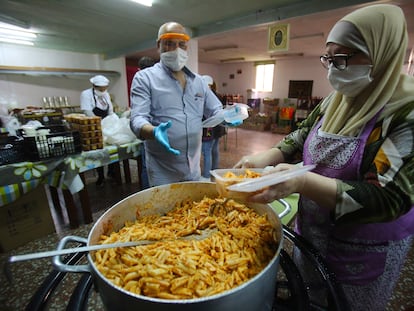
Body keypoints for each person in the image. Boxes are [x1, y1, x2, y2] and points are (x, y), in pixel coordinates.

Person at [234, 4, 414, 310]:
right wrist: (262, 158)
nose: (332, 69)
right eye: (328, 59)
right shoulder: (335, 101)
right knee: (311, 299)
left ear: (382, 54)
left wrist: (300, 181)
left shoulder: (403, 113)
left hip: (364, 247)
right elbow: (302, 135)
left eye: (342, 59)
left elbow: (385, 198)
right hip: (315, 232)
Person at [130, 21, 241, 187]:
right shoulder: (145, 78)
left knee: (191, 211)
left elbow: (215, 109)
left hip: (193, 168)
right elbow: (137, 119)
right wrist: (154, 131)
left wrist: (227, 117)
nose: (176, 50)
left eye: (181, 44)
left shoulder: (199, 81)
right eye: (169, 43)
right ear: (158, 45)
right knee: (164, 210)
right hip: (163, 170)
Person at [80, 74, 115, 186]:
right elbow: (88, 112)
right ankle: (100, 176)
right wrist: (98, 124)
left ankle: (112, 172)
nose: (103, 90)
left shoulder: (106, 95)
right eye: (100, 88)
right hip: (93, 126)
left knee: (112, 149)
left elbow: (110, 111)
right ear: (94, 86)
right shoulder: (86, 94)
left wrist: (114, 121)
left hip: (107, 125)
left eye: (104, 88)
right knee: (98, 151)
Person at [136, 56, 156, 189]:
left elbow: (138, 115)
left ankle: (147, 191)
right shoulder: (147, 80)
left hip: (150, 130)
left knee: (147, 165)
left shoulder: (140, 79)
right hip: (154, 129)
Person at [201, 75, 226, 179]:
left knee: (207, 151)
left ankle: (207, 176)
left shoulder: (205, 97)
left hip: (209, 129)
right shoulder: (218, 95)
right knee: (214, 150)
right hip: (218, 129)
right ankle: (215, 172)